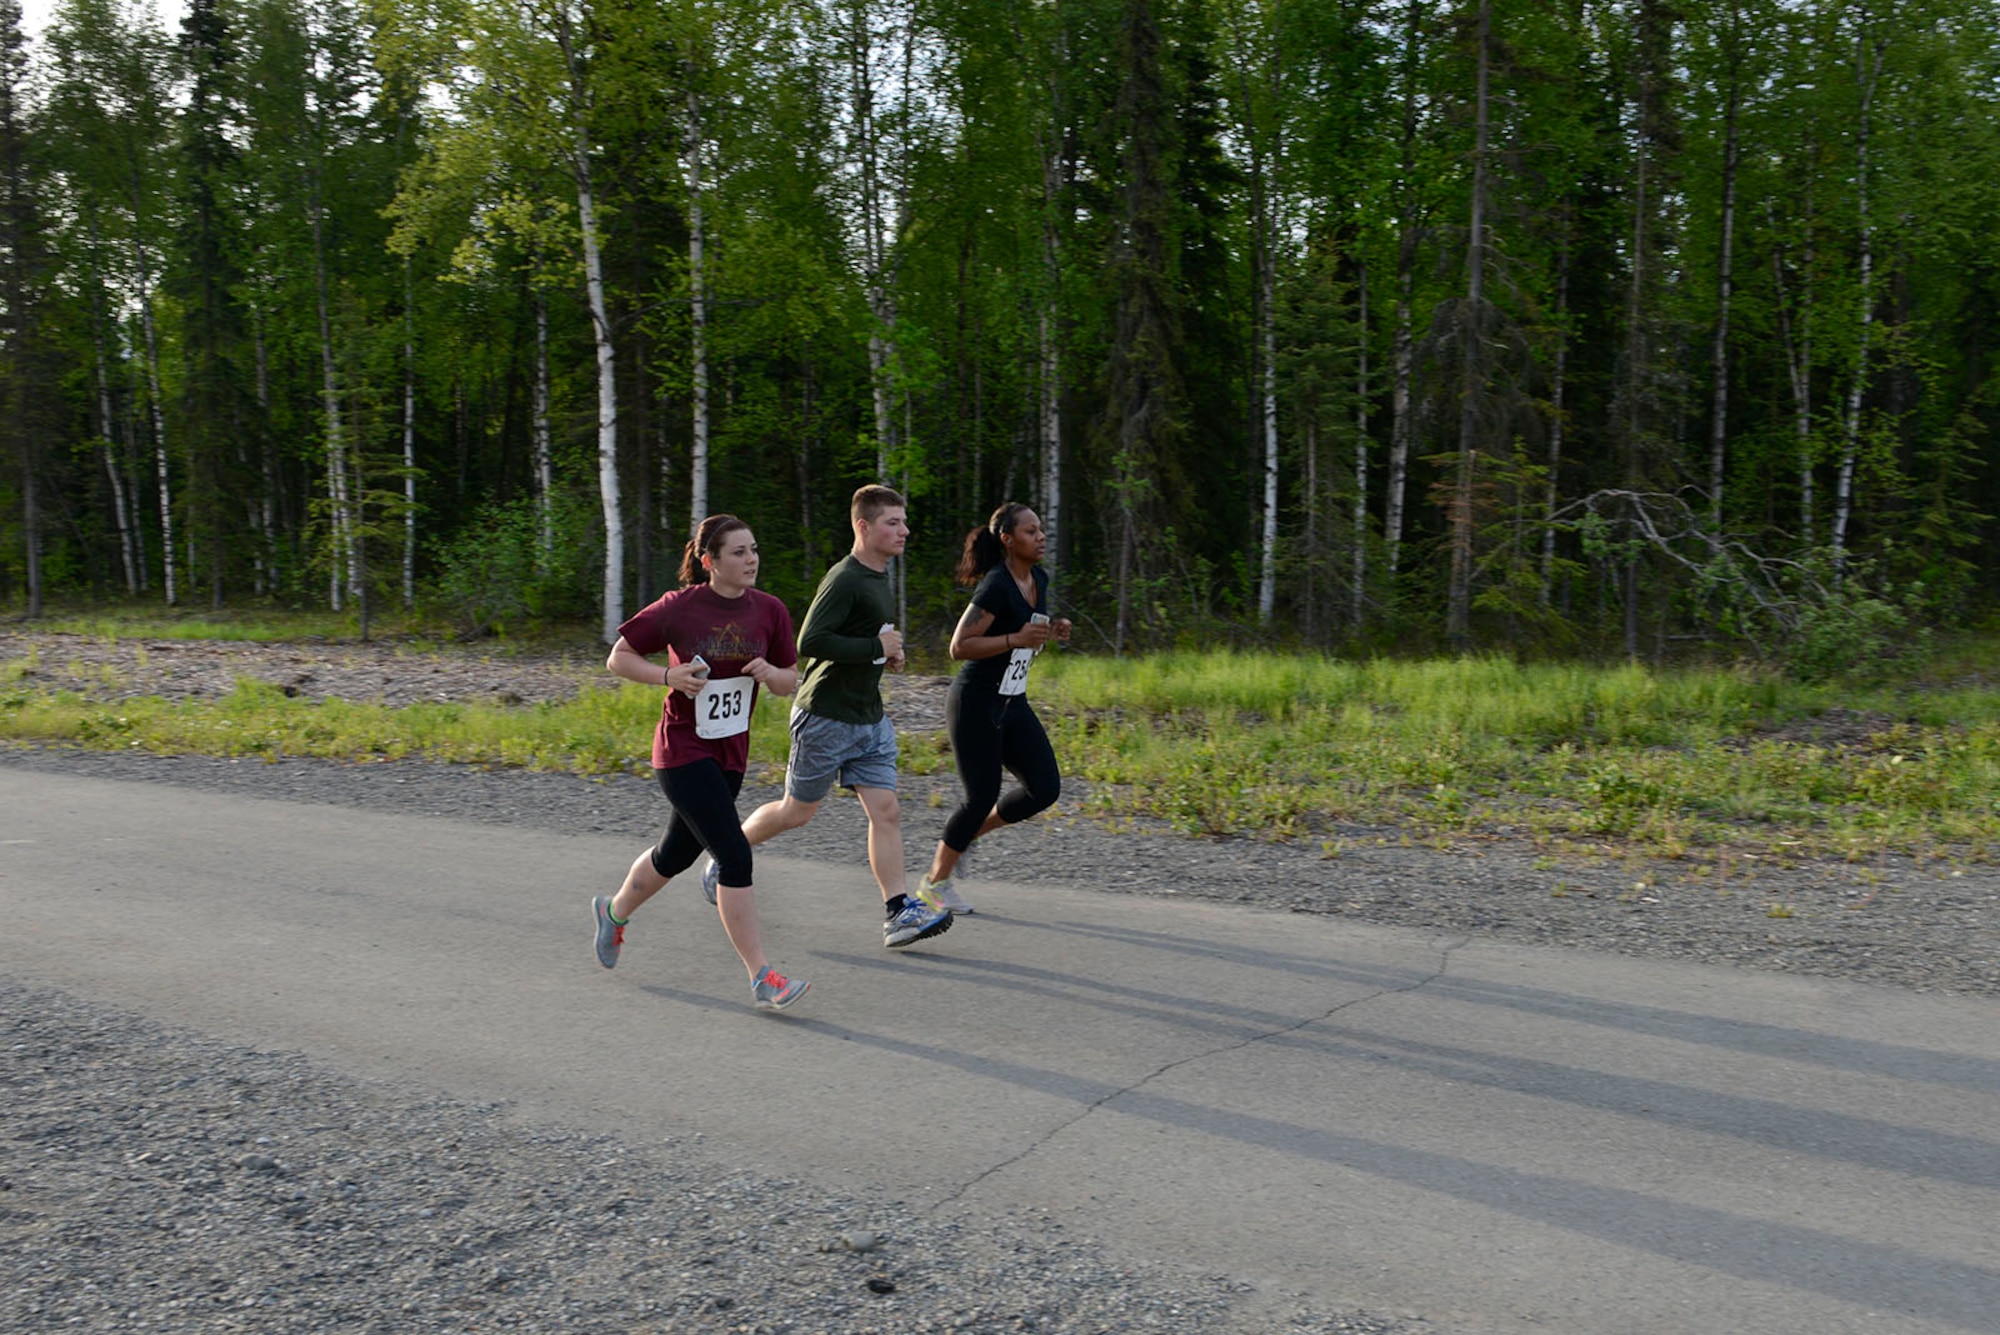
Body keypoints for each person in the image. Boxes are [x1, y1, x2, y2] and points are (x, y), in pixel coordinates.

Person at [710, 484, 953, 950]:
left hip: (869, 717)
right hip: (826, 717)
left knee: (887, 811)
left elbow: (864, 639)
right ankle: (725, 853)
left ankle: (898, 911)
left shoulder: (878, 576)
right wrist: (872, 649)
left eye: (903, 522)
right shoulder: (845, 578)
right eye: (893, 523)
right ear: (863, 526)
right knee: (797, 812)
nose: (904, 530)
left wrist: (885, 656)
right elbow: (811, 640)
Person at [591, 514, 810, 1011]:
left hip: (730, 753)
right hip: (682, 750)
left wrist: (770, 671)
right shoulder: (680, 608)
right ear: (709, 561)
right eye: (738, 552)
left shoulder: (770, 611)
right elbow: (618, 657)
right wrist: (668, 675)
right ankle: (762, 975)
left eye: (754, 550)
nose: (751, 559)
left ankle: (614, 911)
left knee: (676, 854)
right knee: (734, 855)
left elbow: (788, 680)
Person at [914, 503, 1072, 915]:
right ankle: (933, 885)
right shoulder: (996, 585)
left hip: (1012, 700)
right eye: (1031, 531)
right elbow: (958, 647)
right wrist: (1014, 640)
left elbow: (1026, 632)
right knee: (980, 795)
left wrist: (1051, 631)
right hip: (975, 702)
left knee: (1045, 788)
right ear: (1007, 539)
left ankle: (965, 839)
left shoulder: (1038, 577)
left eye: (1041, 530)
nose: (1041, 537)